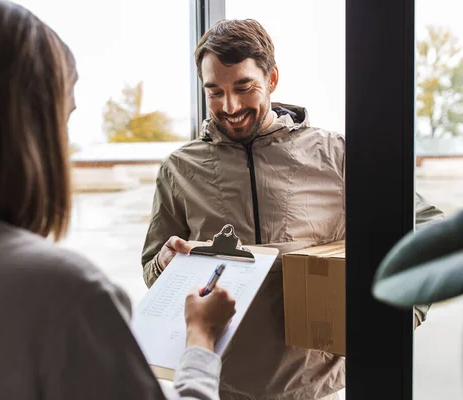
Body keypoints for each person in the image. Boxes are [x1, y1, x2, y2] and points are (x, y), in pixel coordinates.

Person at [0, 1, 236, 399]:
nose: (65, 146)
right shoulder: (67, 296)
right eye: (63, 119)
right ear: (28, 127)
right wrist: (201, 338)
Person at [141, 19, 444, 400]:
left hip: (319, 388)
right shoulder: (179, 169)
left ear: (272, 79)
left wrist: (402, 317)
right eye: (214, 91)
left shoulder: (337, 155)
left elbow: (427, 227)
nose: (229, 106)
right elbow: (153, 269)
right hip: (219, 385)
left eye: (243, 87)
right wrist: (165, 264)